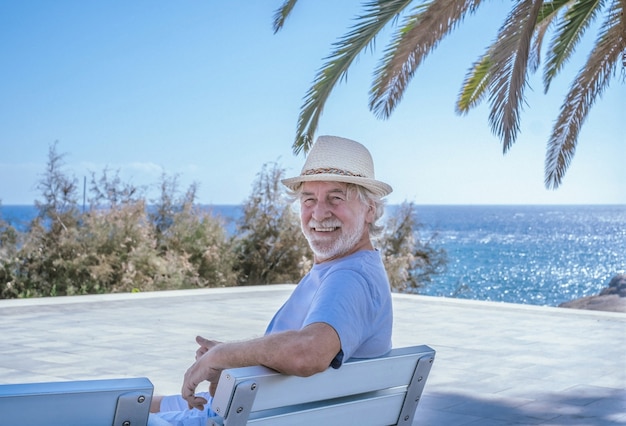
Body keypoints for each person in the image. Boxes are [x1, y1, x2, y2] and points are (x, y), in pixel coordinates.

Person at [149, 135, 394, 426]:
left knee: (104, 411)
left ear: (369, 210)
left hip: (241, 417)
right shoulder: (348, 268)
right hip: (245, 407)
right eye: (309, 199)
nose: (318, 213)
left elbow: (309, 352)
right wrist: (232, 359)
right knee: (127, 402)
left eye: (336, 198)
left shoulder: (349, 278)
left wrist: (222, 356)